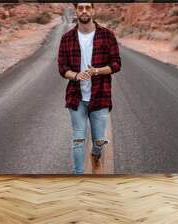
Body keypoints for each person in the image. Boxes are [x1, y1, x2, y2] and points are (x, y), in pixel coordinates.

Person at [58, 3, 122, 174]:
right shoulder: (67, 38)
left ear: (93, 10)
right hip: (76, 97)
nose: (84, 11)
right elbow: (62, 69)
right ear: (76, 11)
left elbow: (116, 64)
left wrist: (97, 71)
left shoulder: (107, 35)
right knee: (78, 139)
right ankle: (78, 175)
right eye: (81, 8)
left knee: (99, 140)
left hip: (100, 95)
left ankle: (96, 152)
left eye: (87, 7)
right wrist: (76, 76)